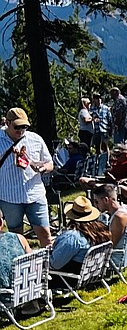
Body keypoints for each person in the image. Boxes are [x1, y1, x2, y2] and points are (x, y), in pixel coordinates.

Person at [0, 107, 55, 249]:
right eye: (17, 127)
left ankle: (49, 267)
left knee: (46, 236)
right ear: (7, 123)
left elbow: (50, 163)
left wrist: (43, 168)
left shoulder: (35, 139)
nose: (21, 131)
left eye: (24, 126)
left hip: (35, 194)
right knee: (17, 239)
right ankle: (22, 268)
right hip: (9, 197)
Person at [48, 195, 109, 272]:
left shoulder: (73, 237)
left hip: (67, 279)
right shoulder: (100, 231)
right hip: (91, 273)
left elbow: (54, 264)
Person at [91, 183, 127, 248]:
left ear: (106, 200)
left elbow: (110, 245)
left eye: (96, 201)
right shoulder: (126, 209)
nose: (95, 205)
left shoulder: (119, 217)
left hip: (117, 256)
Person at [0, 210, 31, 290]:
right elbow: (33, 263)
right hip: (25, 291)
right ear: (1, 222)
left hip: (4, 297)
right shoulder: (19, 238)